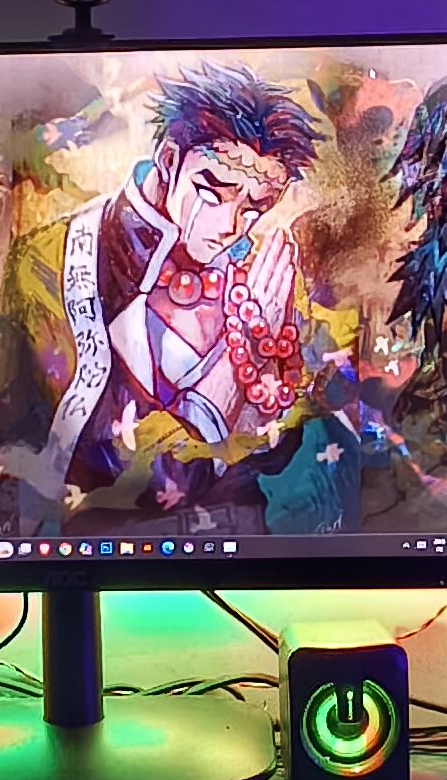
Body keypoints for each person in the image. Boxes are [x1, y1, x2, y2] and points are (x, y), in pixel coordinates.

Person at [45, 63, 333, 500]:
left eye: (254, 208)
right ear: (168, 161)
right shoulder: (61, 256)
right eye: (212, 192)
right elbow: (74, 462)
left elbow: (289, 438)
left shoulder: (266, 275)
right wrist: (225, 383)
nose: (230, 225)